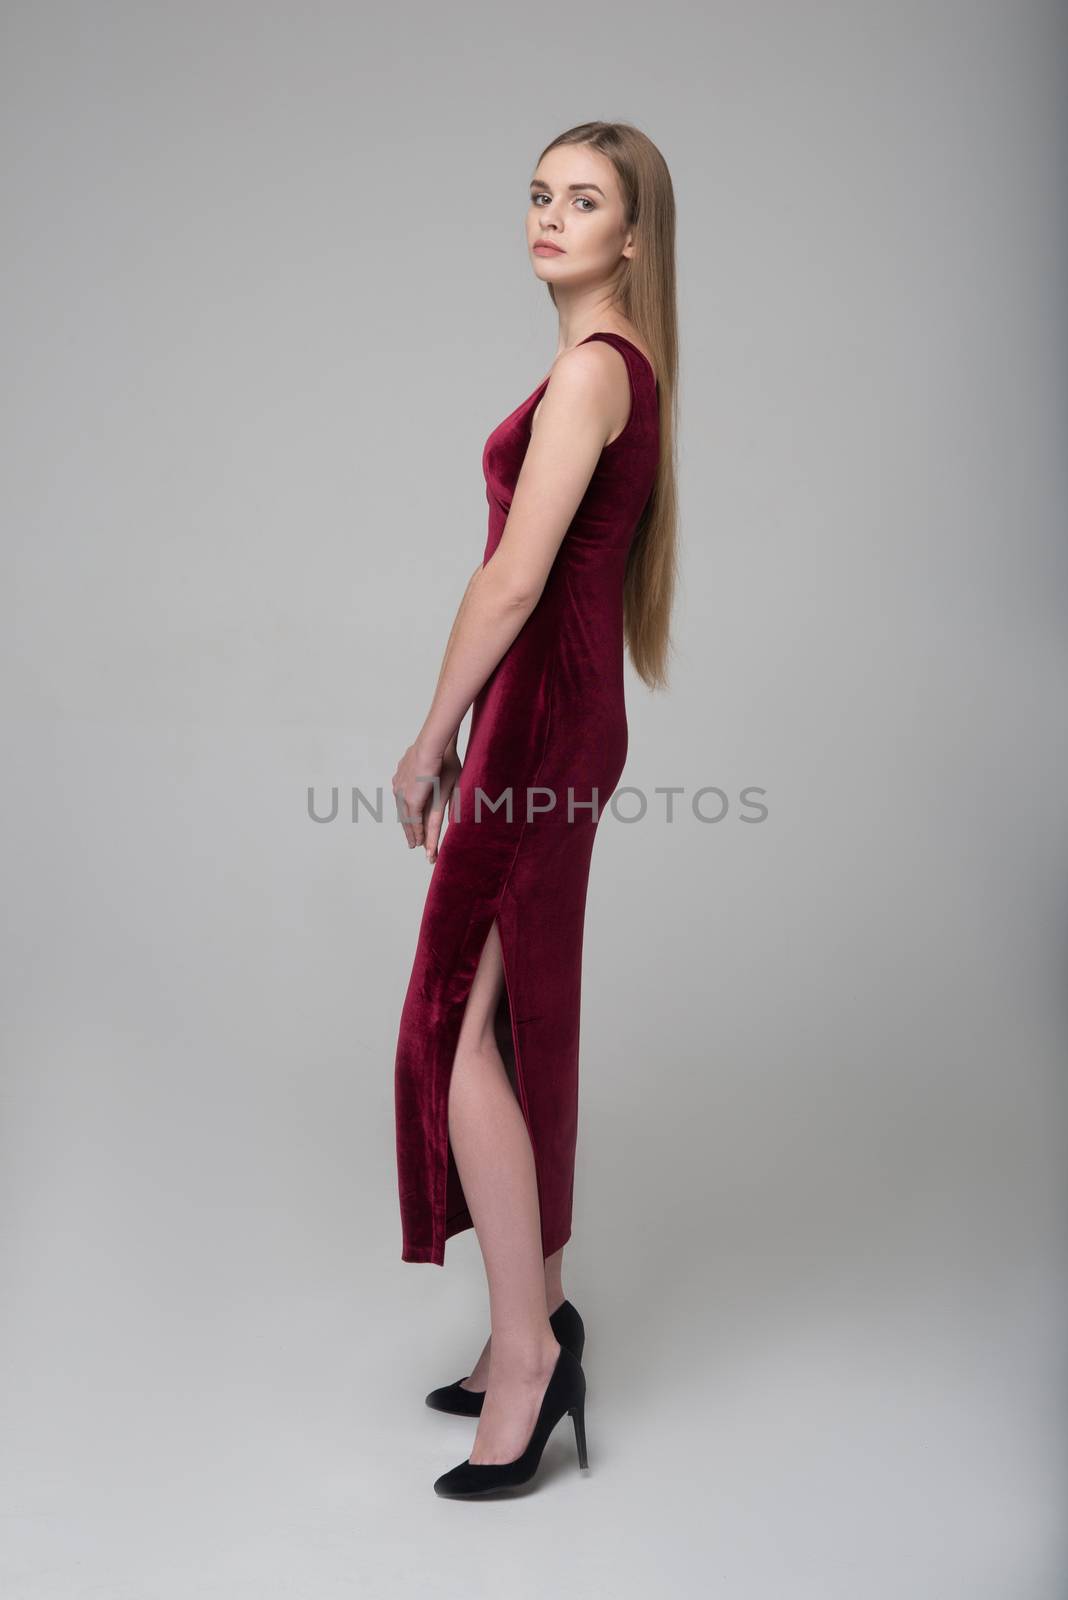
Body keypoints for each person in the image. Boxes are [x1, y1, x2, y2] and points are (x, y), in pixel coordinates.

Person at [391, 120, 679, 1498]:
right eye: (539, 194)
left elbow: (512, 581)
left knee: (452, 1030)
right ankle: (542, 1315)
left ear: (633, 237)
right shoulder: (619, 369)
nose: (550, 218)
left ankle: (524, 1357)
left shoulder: (591, 375)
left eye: (585, 201)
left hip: (540, 720)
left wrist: (429, 735)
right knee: (512, 1019)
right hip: (563, 715)